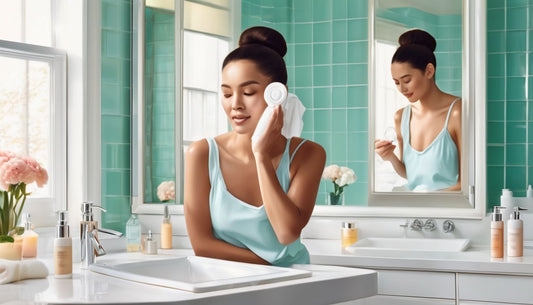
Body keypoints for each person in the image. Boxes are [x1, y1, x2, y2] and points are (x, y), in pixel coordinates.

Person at [184, 26, 326, 267]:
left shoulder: (308, 154)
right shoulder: (202, 154)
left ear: (278, 94)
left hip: (293, 288)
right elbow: (202, 246)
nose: (236, 105)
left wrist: (260, 155)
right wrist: (273, 267)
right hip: (230, 288)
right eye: (227, 94)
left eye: (248, 92)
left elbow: (286, 233)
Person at [374, 29, 461, 191]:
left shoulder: (457, 112)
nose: (402, 89)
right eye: (396, 82)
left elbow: (468, 183)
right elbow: (410, 174)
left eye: (406, 80)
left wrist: (427, 200)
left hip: (448, 210)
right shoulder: (401, 117)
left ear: (429, 71)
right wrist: (389, 157)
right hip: (414, 206)